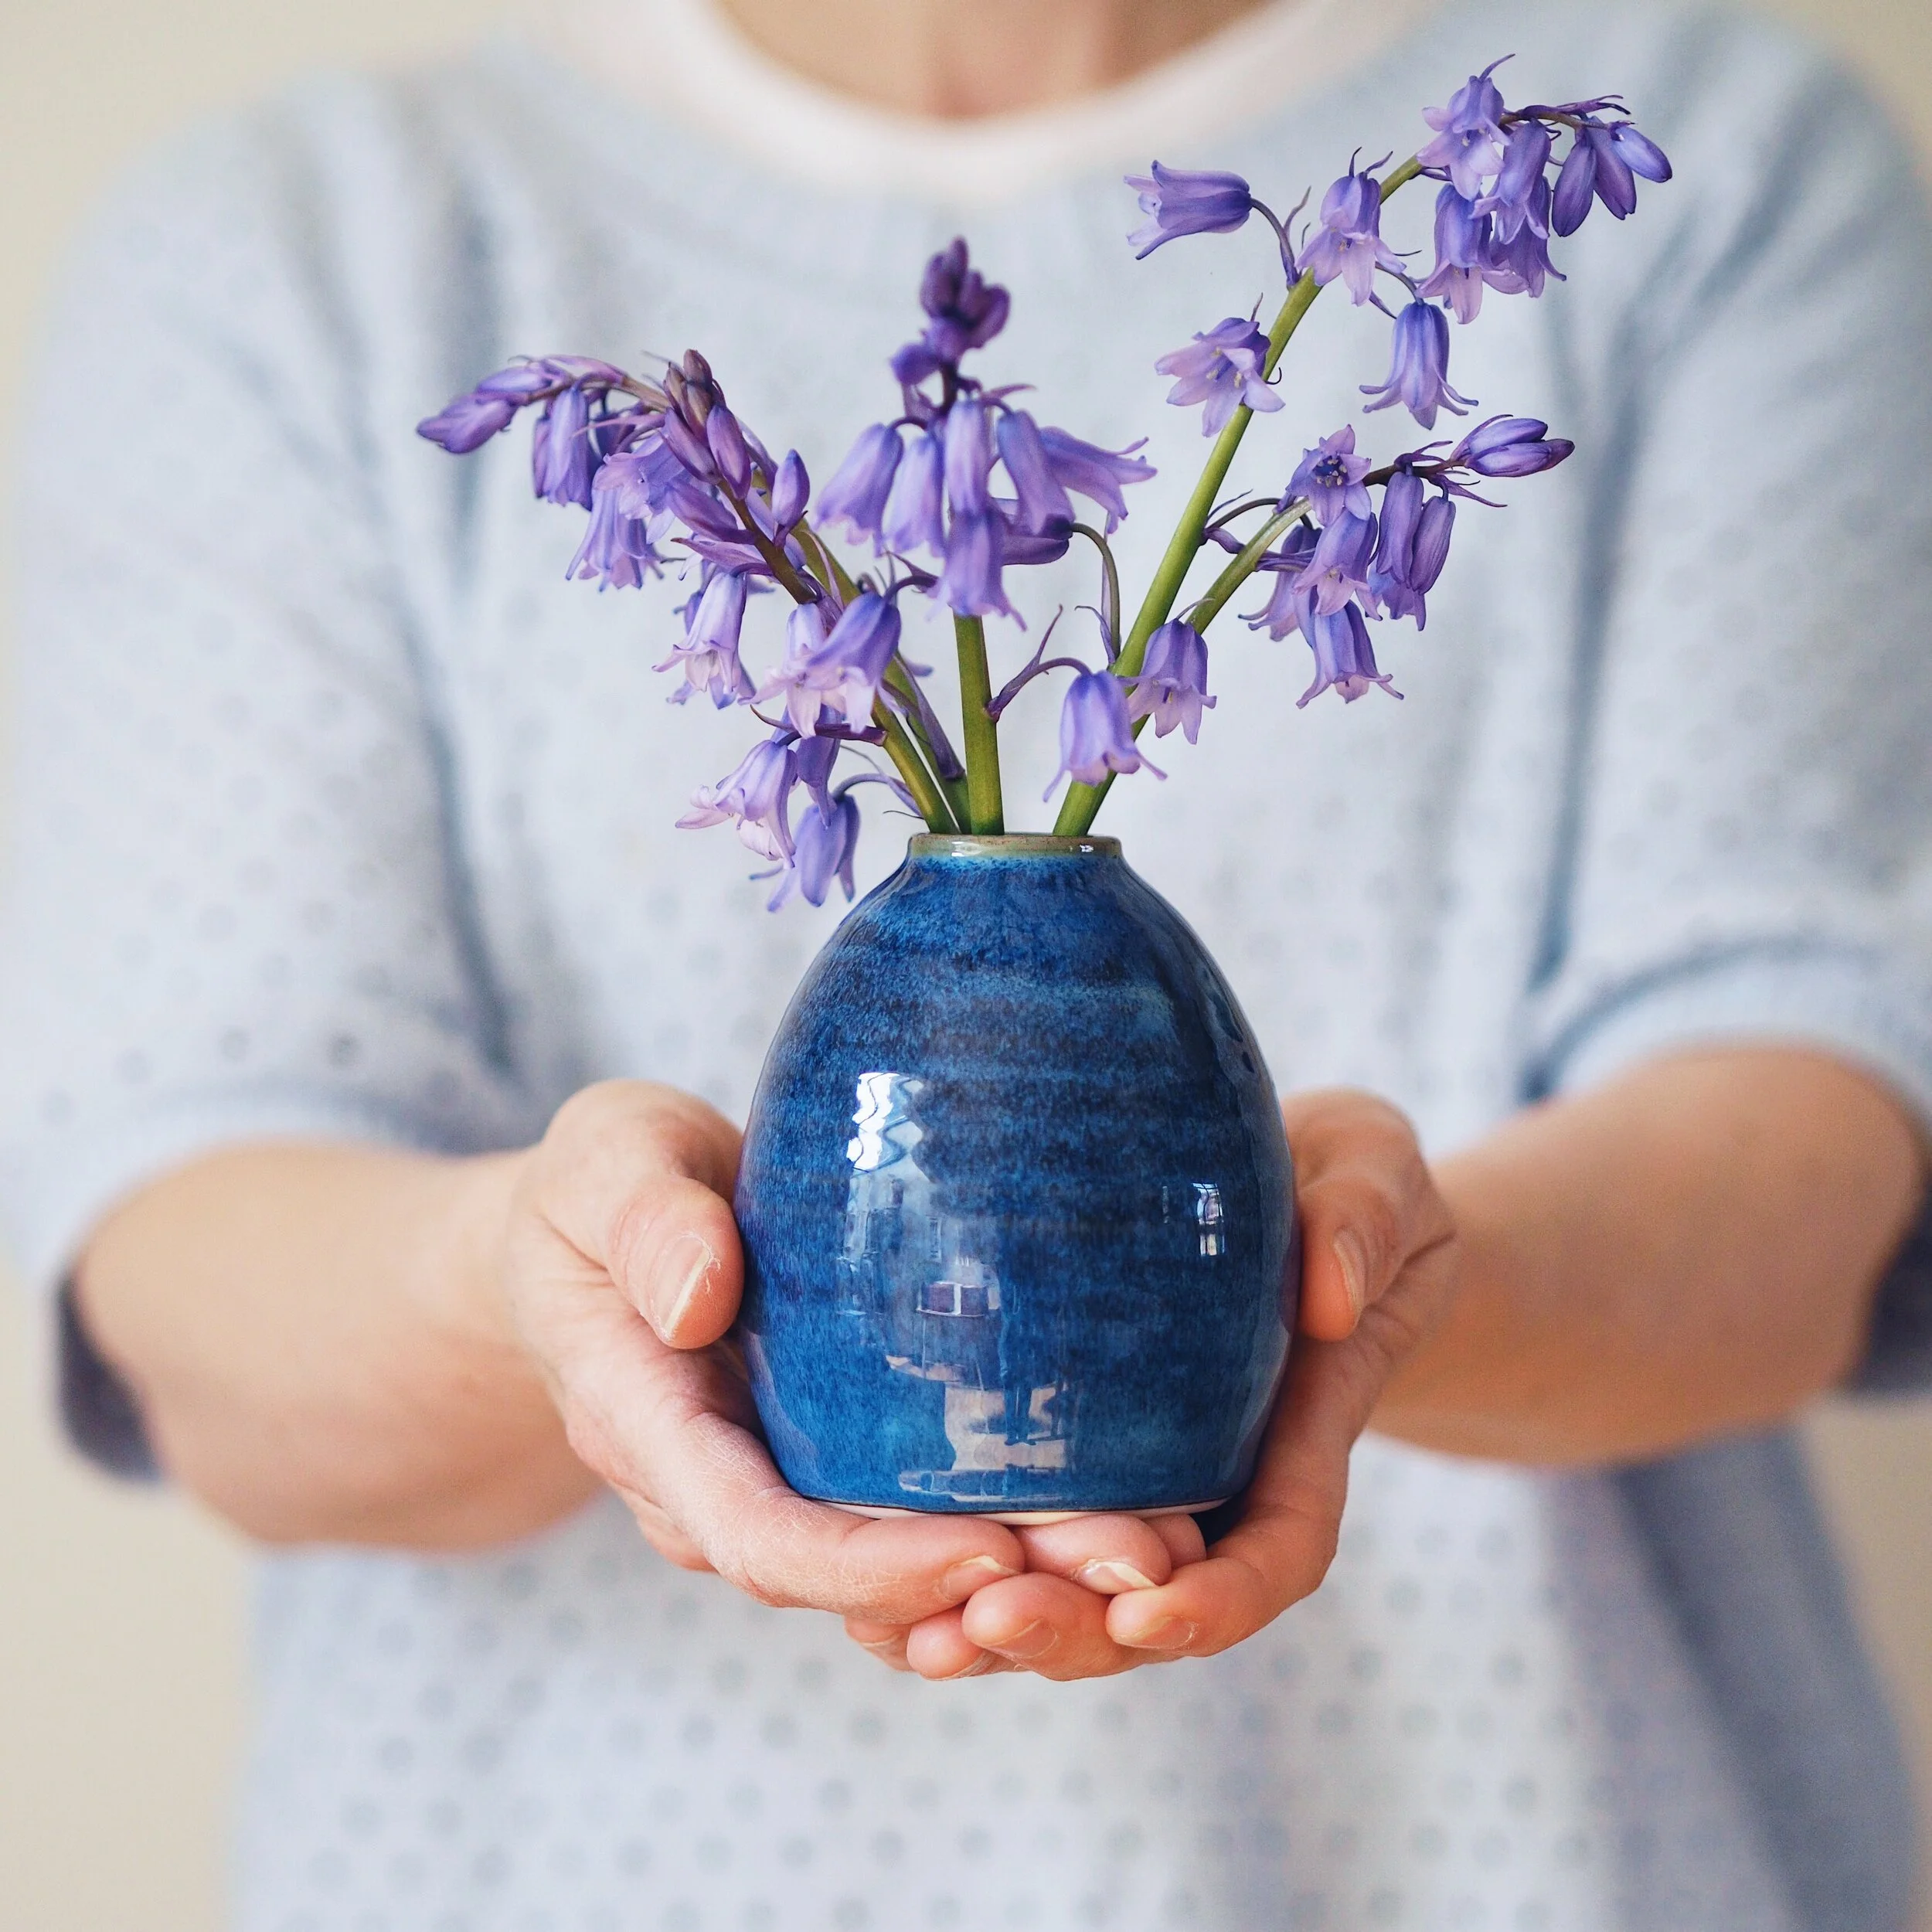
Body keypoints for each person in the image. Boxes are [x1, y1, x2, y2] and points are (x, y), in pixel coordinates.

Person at [5, 0, 1932, 1924]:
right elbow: (194, 1271)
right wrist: (540, 1285)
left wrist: (1369, 1290)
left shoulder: (1719, 154)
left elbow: (1807, 1137)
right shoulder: (308, 247)